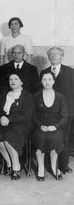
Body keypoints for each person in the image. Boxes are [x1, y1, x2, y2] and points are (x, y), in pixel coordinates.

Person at [0, 72, 35, 180]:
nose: (13, 81)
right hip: (5, 123)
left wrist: (9, 119)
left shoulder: (27, 95)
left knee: (9, 137)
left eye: (16, 79)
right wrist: (1, 117)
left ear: (21, 82)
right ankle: (9, 163)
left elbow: (27, 116)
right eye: (11, 79)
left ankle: (16, 167)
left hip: (22, 124)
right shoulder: (5, 94)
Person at [40, 46, 74, 174]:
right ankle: (50, 165)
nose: (54, 56)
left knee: (65, 138)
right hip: (49, 113)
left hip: (67, 112)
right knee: (50, 137)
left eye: (57, 54)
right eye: (51, 55)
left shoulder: (71, 72)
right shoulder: (44, 72)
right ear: (48, 57)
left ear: (62, 56)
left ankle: (64, 165)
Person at [33, 71, 68, 181]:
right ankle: (41, 168)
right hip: (40, 126)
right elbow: (33, 115)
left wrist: (56, 126)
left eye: (49, 79)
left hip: (55, 126)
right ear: (41, 81)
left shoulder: (60, 97)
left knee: (55, 137)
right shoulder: (36, 96)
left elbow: (65, 116)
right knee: (40, 137)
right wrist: (40, 125)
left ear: (53, 81)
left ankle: (54, 166)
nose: (47, 82)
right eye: (44, 79)